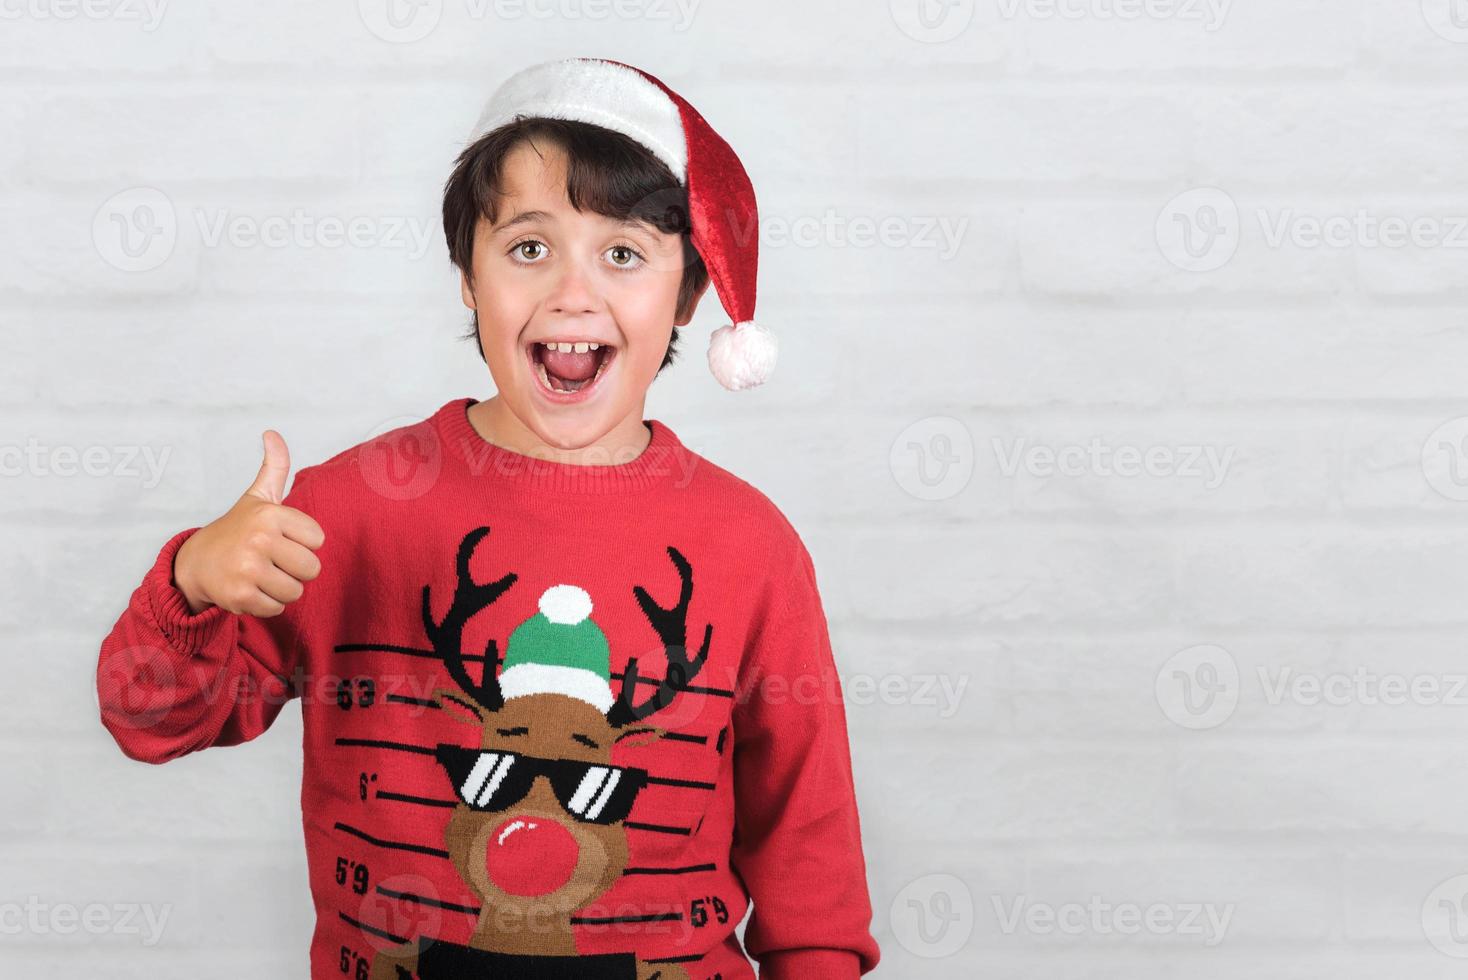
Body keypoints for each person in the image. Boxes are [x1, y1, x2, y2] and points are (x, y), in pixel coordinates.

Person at [95, 57, 880, 980]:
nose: (572, 295)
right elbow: (149, 721)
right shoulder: (343, 510)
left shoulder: (753, 547)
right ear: (468, 273)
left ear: (691, 295)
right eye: (528, 248)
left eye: (622, 254)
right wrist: (191, 582)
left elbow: (809, 849)